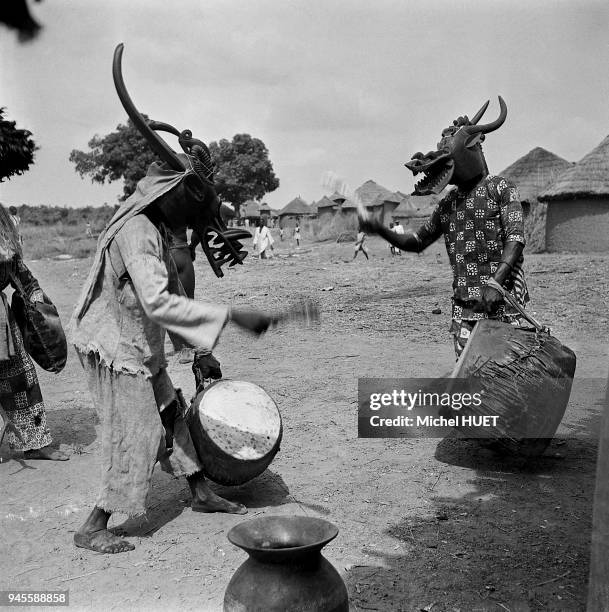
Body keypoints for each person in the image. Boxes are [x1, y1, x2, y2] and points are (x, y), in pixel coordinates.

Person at [69, 43, 286, 554]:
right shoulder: (138, 229)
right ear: (173, 194)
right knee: (139, 430)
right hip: (116, 347)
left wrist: (197, 349)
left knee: (172, 411)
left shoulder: (157, 226)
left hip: (139, 343)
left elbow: (167, 299)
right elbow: (160, 302)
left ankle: (199, 490)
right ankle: (95, 524)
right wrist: (232, 316)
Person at [361, 97, 529, 358]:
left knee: (510, 376)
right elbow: (417, 241)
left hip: (503, 303)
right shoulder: (447, 205)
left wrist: (495, 284)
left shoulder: (501, 187)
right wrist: (380, 229)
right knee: (469, 381)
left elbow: (515, 238)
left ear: (472, 149)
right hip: (465, 309)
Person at [0, 204, 67, 461]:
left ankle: (34, 444)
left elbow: (19, 271)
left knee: (22, 377)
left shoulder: (3, 223)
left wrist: (35, 295)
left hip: (2, 323)